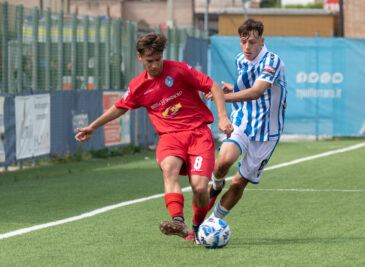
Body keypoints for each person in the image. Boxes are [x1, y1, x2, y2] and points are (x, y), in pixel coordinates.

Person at [75, 32, 233, 244]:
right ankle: (178, 221)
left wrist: (223, 118)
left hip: (198, 134)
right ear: (140, 58)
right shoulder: (137, 87)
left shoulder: (179, 70)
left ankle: (196, 227)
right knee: (169, 169)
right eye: (150, 61)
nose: (155, 65)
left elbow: (213, 86)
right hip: (170, 137)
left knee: (200, 188)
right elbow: (119, 107)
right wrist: (93, 126)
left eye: (158, 59)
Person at [204, 19, 287, 222]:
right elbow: (250, 85)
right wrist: (233, 88)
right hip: (243, 120)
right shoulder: (240, 59)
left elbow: (258, 91)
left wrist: (221, 97)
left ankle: (213, 222)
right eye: (243, 42)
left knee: (239, 183)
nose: (247, 47)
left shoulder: (272, 61)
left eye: (252, 42)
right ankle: (216, 184)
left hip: (268, 131)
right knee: (224, 160)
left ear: (262, 41)